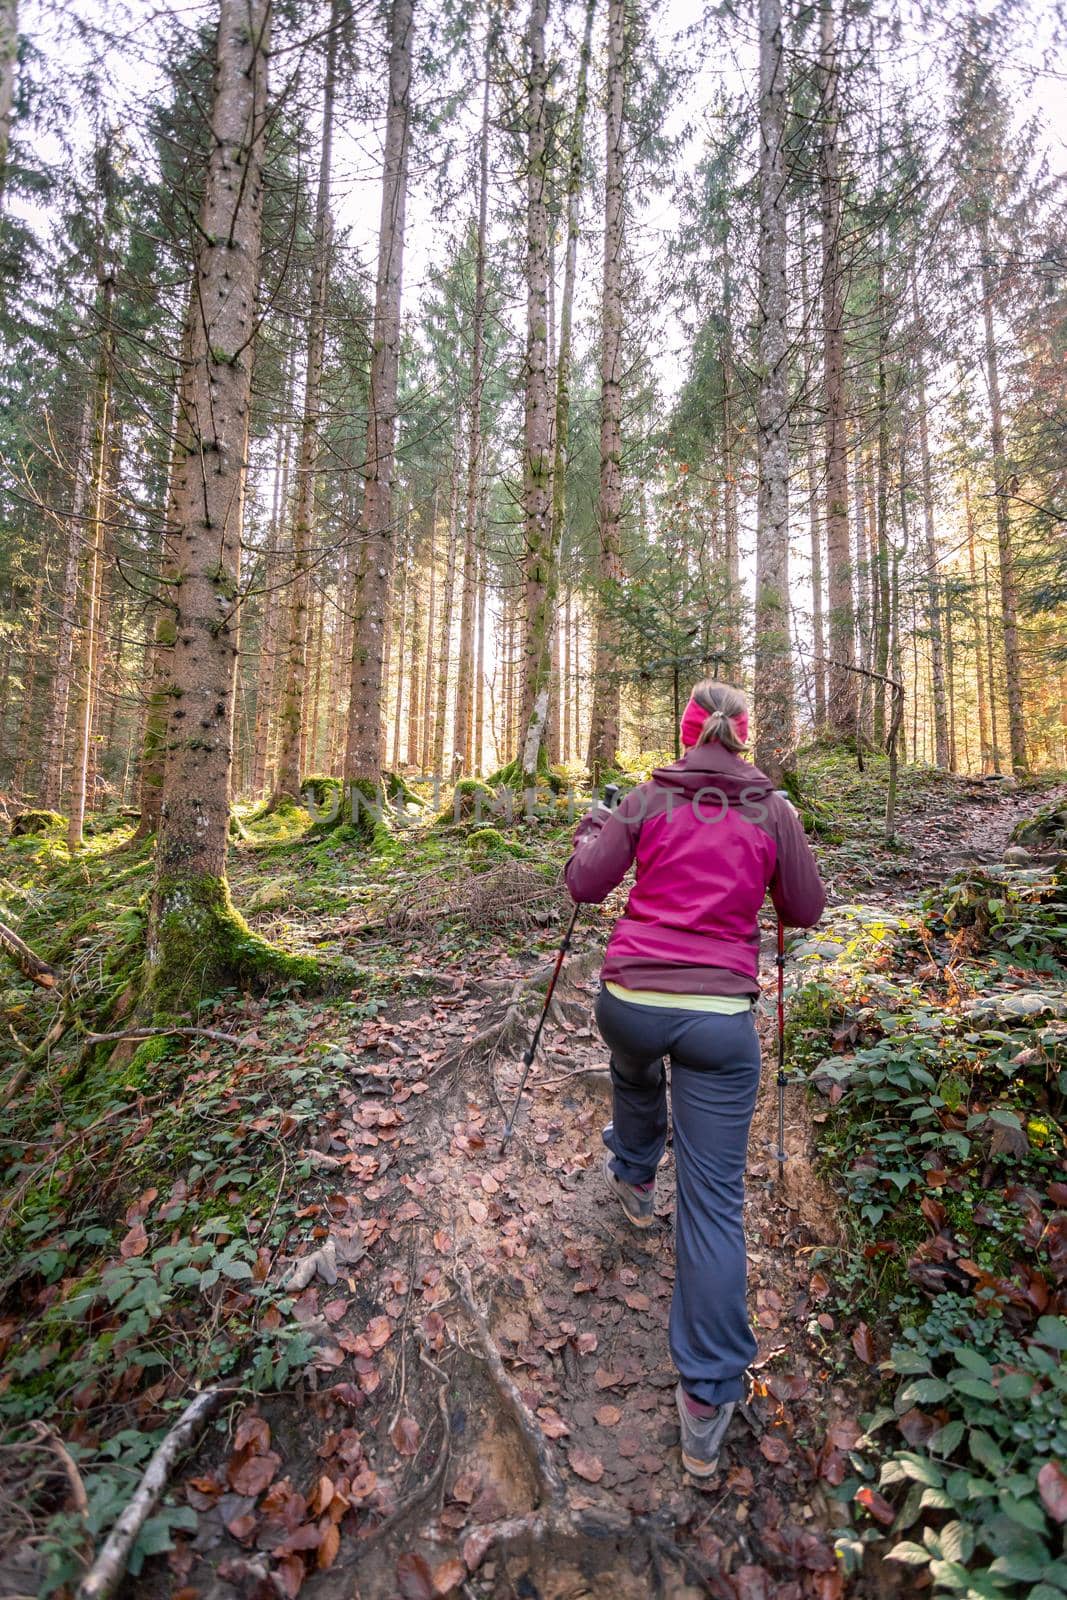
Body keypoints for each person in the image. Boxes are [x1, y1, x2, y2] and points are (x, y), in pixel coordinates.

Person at [564, 680, 826, 1477]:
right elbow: (805, 909)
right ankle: (707, 1398)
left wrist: (595, 828)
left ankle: (635, 1176)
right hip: (719, 1022)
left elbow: (584, 885)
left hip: (632, 1000)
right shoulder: (770, 809)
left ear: (686, 734)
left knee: (634, 1067)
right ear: (745, 735)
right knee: (713, 1201)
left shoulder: (646, 797)